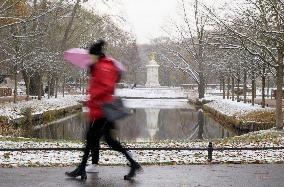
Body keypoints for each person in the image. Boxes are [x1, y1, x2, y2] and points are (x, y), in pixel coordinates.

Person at [65, 39, 142, 181]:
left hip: (103, 111)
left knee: (91, 139)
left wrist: (93, 96)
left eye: (91, 56)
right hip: (100, 110)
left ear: (97, 55)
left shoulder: (104, 67)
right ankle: (133, 164)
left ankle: (81, 169)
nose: (89, 58)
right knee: (107, 141)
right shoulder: (100, 66)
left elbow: (107, 86)